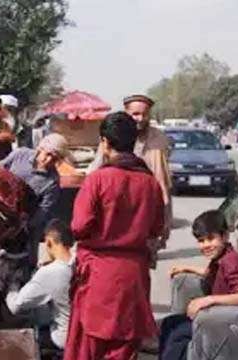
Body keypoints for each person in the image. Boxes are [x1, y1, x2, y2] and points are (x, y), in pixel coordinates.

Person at [65, 112, 165, 360]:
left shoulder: (98, 179)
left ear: (105, 142)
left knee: (88, 347)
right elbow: (156, 228)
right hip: (134, 275)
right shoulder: (150, 183)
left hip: (99, 275)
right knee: (124, 348)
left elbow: (79, 227)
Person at [159, 210, 238, 360]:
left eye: (211, 239)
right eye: (201, 240)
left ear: (225, 236)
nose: (206, 245)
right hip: (216, 317)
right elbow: (209, 273)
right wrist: (187, 268)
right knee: (170, 323)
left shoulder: (231, 261)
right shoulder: (221, 257)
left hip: (230, 322)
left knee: (179, 334)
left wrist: (209, 299)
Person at [89, 94, 173, 261]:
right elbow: (95, 169)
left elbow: (163, 184)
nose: (140, 119)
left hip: (146, 205)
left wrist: (165, 222)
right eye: (135, 114)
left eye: (144, 114)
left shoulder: (158, 139)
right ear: (127, 113)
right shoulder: (113, 136)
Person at [0, 133, 68, 266]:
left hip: (25, 228)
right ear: (40, 149)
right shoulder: (20, 155)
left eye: (53, 159)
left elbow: (42, 212)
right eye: (47, 154)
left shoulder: (52, 182)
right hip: (0, 213)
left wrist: (22, 225)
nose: (47, 160)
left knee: (25, 265)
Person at [5, 219, 73, 351]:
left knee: (33, 328)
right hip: (88, 333)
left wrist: (12, 287)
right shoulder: (82, 262)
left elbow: (16, 307)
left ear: (48, 242)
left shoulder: (49, 272)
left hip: (65, 337)